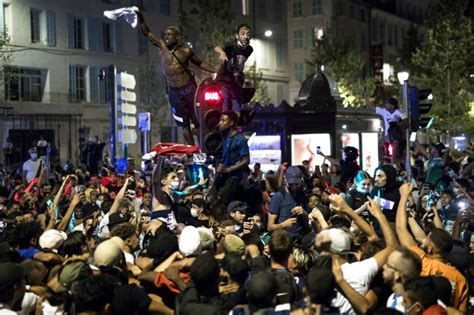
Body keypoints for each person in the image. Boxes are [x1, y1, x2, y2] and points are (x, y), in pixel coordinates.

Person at [137, 11, 217, 145]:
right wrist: (140, 16)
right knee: (183, 124)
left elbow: (199, 63)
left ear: (177, 37)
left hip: (190, 89)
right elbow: (147, 32)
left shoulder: (186, 51)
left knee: (197, 122)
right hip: (174, 92)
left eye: (169, 34)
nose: (166, 36)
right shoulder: (161, 47)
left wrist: (215, 70)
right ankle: (193, 151)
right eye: (165, 34)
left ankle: (203, 147)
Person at [396, 182, 469, 313]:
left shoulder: (423, 263)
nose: (423, 240)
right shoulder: (460, 279)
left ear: (430, 249)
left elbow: (401, 229)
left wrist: (403, 196)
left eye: (426, 239)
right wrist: (412, 219)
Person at [215, 23, 253, 111]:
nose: (246, 36)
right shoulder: (231, 47)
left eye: (248, 34)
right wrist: (222, 52)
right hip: (225, 81)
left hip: (237, 82)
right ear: (237, 36)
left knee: (237, 110)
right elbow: (217, 47)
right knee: (226, 108)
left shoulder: (249, 49)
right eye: (242, 34)